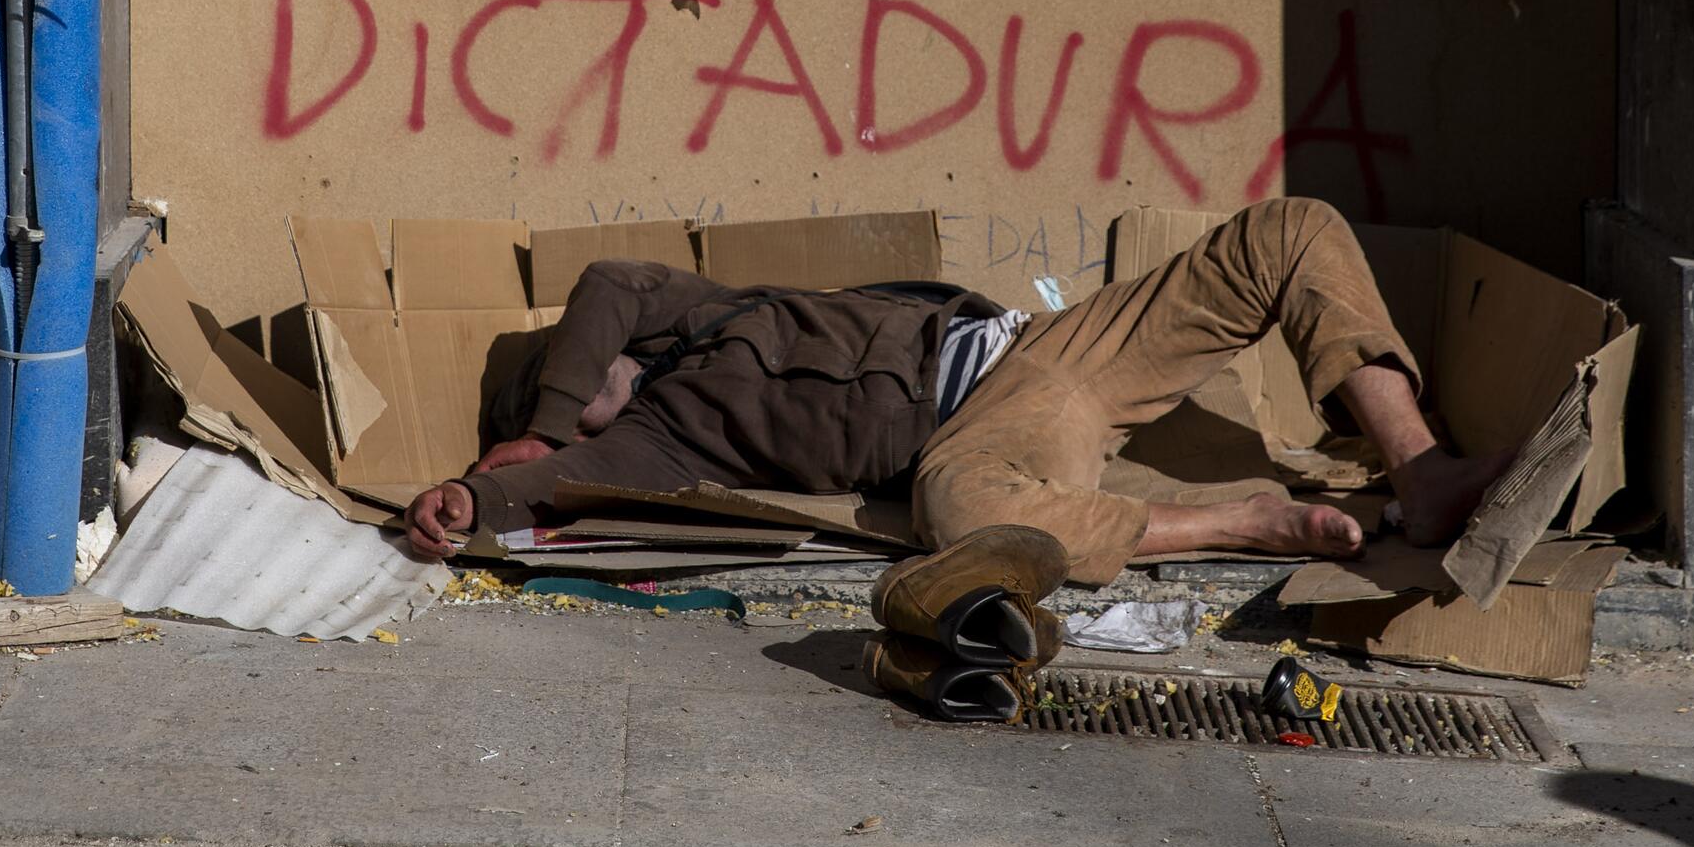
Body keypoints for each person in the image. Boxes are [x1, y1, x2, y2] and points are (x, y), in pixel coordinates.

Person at [404, 198, 1514, 584]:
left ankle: (1416, 469)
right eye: (552, 399)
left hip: (1042, 348)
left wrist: (543, 411)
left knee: (1288, 232)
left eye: (569, 369)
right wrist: (486, 485)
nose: (582, 392)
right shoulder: (652, 445)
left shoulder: (691, 305)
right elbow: (549, 489)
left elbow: (609, 279)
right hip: (981, 435)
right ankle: (1250, 522)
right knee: (957, 517)